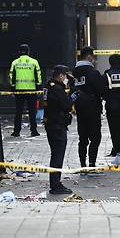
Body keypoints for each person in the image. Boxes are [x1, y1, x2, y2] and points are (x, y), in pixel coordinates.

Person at [72, 47, 105, 167]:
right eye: (93, 58)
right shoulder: (93, 72)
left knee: (83, 138)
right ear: (89, 57)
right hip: (93, 108)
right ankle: (92, 163)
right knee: (95, 138)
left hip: (80, 109)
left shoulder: (74, 72)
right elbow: (101, 90)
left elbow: (72, 91)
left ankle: (82, 164)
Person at [43, 65, 74, 195]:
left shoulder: (49, 86)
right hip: (56, 125)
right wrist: (73, 96)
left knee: (55, 154)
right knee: (57, 155)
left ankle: (55, 183)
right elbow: (66, 105)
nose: (66, 78)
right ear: (61, 75)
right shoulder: (56, 88)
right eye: (66, 76)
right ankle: (55, 185)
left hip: (51, 123)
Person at [9, 44, 42, 137]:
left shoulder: (15, 62)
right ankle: (34, 131)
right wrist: (39, 87)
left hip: (19, 90)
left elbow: (11, 76)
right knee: (32, 111)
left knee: (18, 112)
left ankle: (16, 131)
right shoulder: (34, 62)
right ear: (28, 51)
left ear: (19, 52)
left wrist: (13, 88)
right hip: (31, 90)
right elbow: (38, 75)